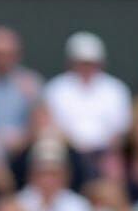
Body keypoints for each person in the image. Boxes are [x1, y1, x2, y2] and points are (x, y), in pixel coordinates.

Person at [43, 31, 132, 165]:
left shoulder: (116, 89)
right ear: (71, 62)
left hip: (106, 154)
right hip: (65, 152)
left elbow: (121, 129)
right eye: (81, 63)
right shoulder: (55, 89)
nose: (86, 68)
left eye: (90, 63)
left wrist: (109, 154)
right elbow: (50, 125)